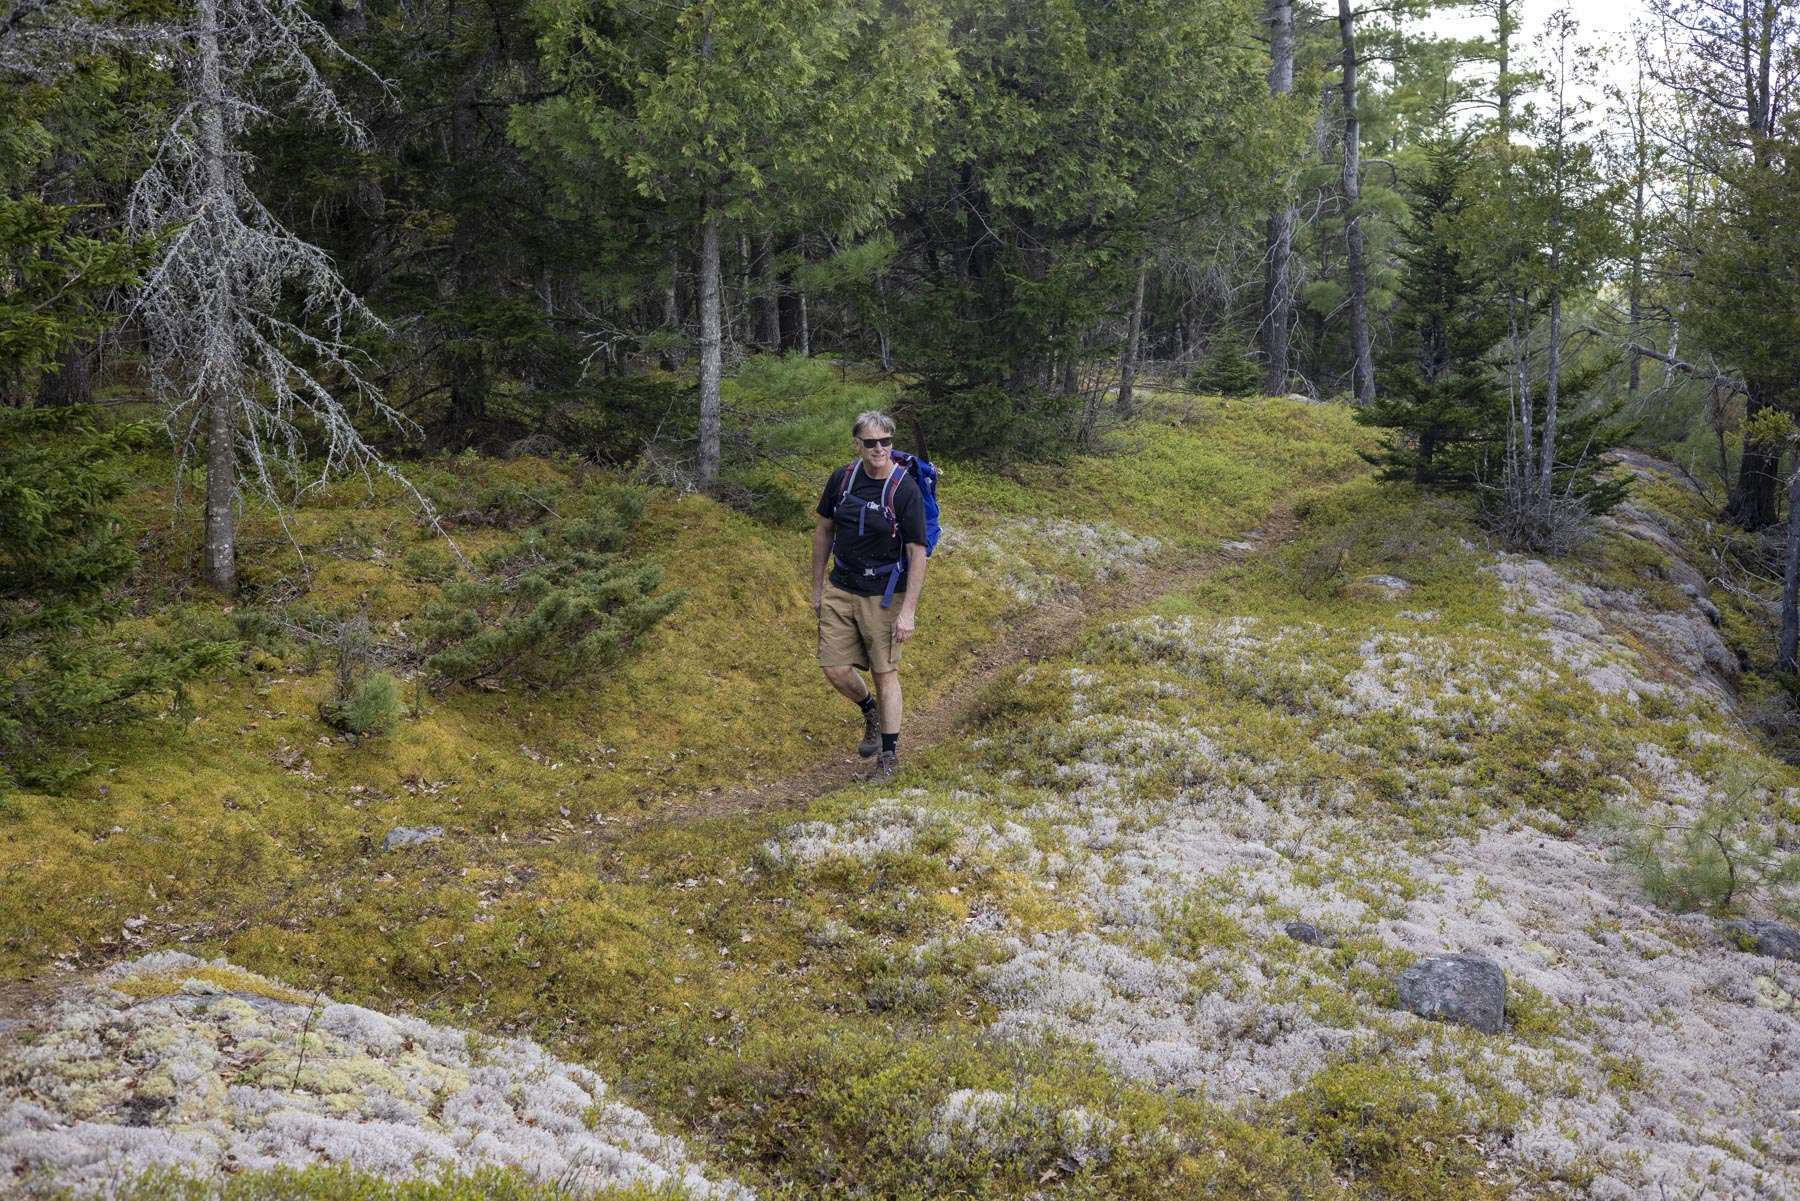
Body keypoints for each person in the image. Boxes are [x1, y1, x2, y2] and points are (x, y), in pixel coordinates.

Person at [812, 410, 928, 780]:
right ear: (857, 444)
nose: (880, 449)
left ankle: (888, 758)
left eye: (886, 441)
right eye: (871, 442)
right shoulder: (842, 479)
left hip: (883, 595)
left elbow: (916, 551)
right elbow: (824, 532)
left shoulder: (904, 488)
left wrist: (908, 611)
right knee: (834, 668)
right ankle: (869, 711)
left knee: (884, 672)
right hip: (841, 586)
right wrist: (817, 588)